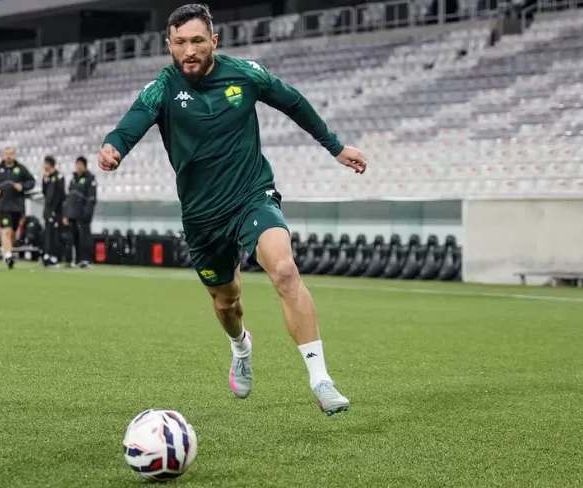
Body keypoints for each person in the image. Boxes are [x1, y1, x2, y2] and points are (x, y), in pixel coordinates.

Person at [99, 4, 367, 416]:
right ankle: (241, 346)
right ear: (168, 45)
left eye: (197, 41)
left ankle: (321, 380)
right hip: (202, 216)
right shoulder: (163, 88)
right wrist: (115, 146)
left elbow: (293, 102)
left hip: (251, 196)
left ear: (214, 42)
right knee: (227, 303)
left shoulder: (246, 74)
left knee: (283, 268)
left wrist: (335, 146)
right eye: (180, 43)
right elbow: (133, 120)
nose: (189, 50)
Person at [0, 146, 36, 269]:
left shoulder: (20, 169)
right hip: (3, 205)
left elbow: (31, 181)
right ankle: (8, 255)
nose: (9, 156)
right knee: (6, 230)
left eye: (11, 153)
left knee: (13, 233)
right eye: (7, 153)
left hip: (17, 206)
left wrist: (23, 186)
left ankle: (7, 251)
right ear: (4, 155)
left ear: (14, 155)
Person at [65, 156, 97, 268]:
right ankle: (77, 260)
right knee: (74, 238)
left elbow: (91, 198)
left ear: (84, 165)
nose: (78, 167)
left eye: (80, 164)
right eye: (76, 164)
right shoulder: (73, 179)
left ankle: (87, 260)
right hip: (73, 213)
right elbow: (69, 198)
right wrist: (66, 214)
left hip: (83, 213)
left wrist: (88, 212)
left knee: (85, 237)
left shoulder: (90, 178)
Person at [41, 155, 66, 267]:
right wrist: (44, 181)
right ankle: (47, 255)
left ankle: (54, 257)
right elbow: (45, 193)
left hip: (56, 210)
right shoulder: (47, 177)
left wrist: (55, 209)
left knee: (55, 234)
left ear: (49, 164)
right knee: (48, 233)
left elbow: (61, 195)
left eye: (45, 163)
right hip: (48, 209)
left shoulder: (59, 177)